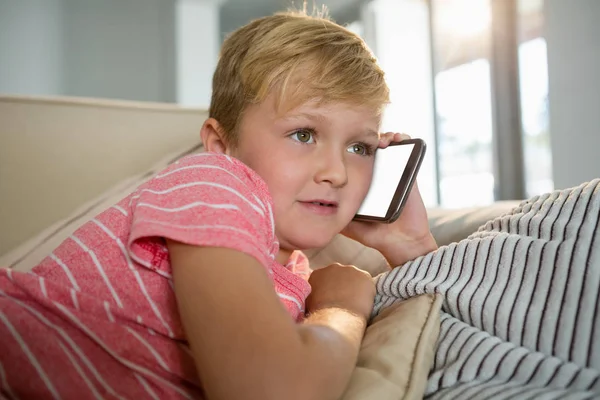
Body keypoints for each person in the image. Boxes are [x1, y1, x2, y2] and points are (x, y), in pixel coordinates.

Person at [0, 11, 437, 400]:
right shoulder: (215, 182)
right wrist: (341, 309)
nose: (337, 173)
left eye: (360, 147)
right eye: (304, 134)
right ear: (220, 145)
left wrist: (409, 242)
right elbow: (272, 389)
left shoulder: (295, 272)